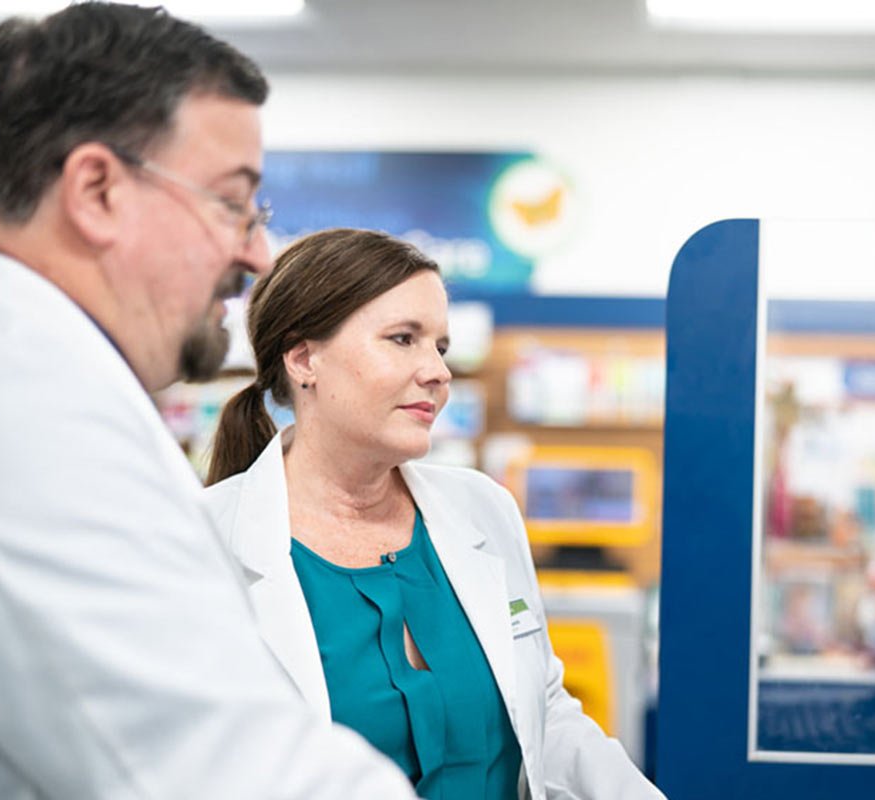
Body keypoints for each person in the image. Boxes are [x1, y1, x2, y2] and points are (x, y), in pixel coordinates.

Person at [0, 5, 416, 798]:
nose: (255, 252)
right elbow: (227, 775)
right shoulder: (7, 418)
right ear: (98, 191)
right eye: (231, 203)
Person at [203, 228, 665, 800]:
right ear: (303, 358)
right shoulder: (204, 543)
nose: (438, 372)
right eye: (403, 339)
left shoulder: (483, 509)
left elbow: (544, 712)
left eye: (440, 347)